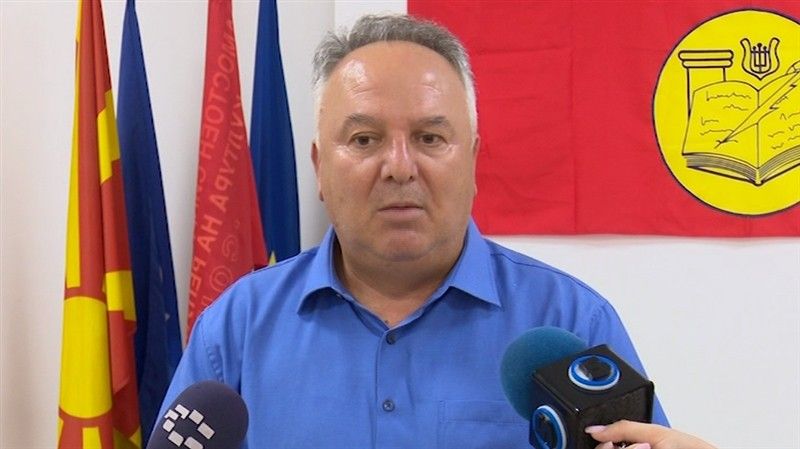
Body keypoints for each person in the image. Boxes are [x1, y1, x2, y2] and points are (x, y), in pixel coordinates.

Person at [157, 13, 711, 448]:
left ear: (472, 161)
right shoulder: (236, 329)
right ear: (319, 168)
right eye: (365, 140)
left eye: (429, 138)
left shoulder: (568, 322)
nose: (399, 167)